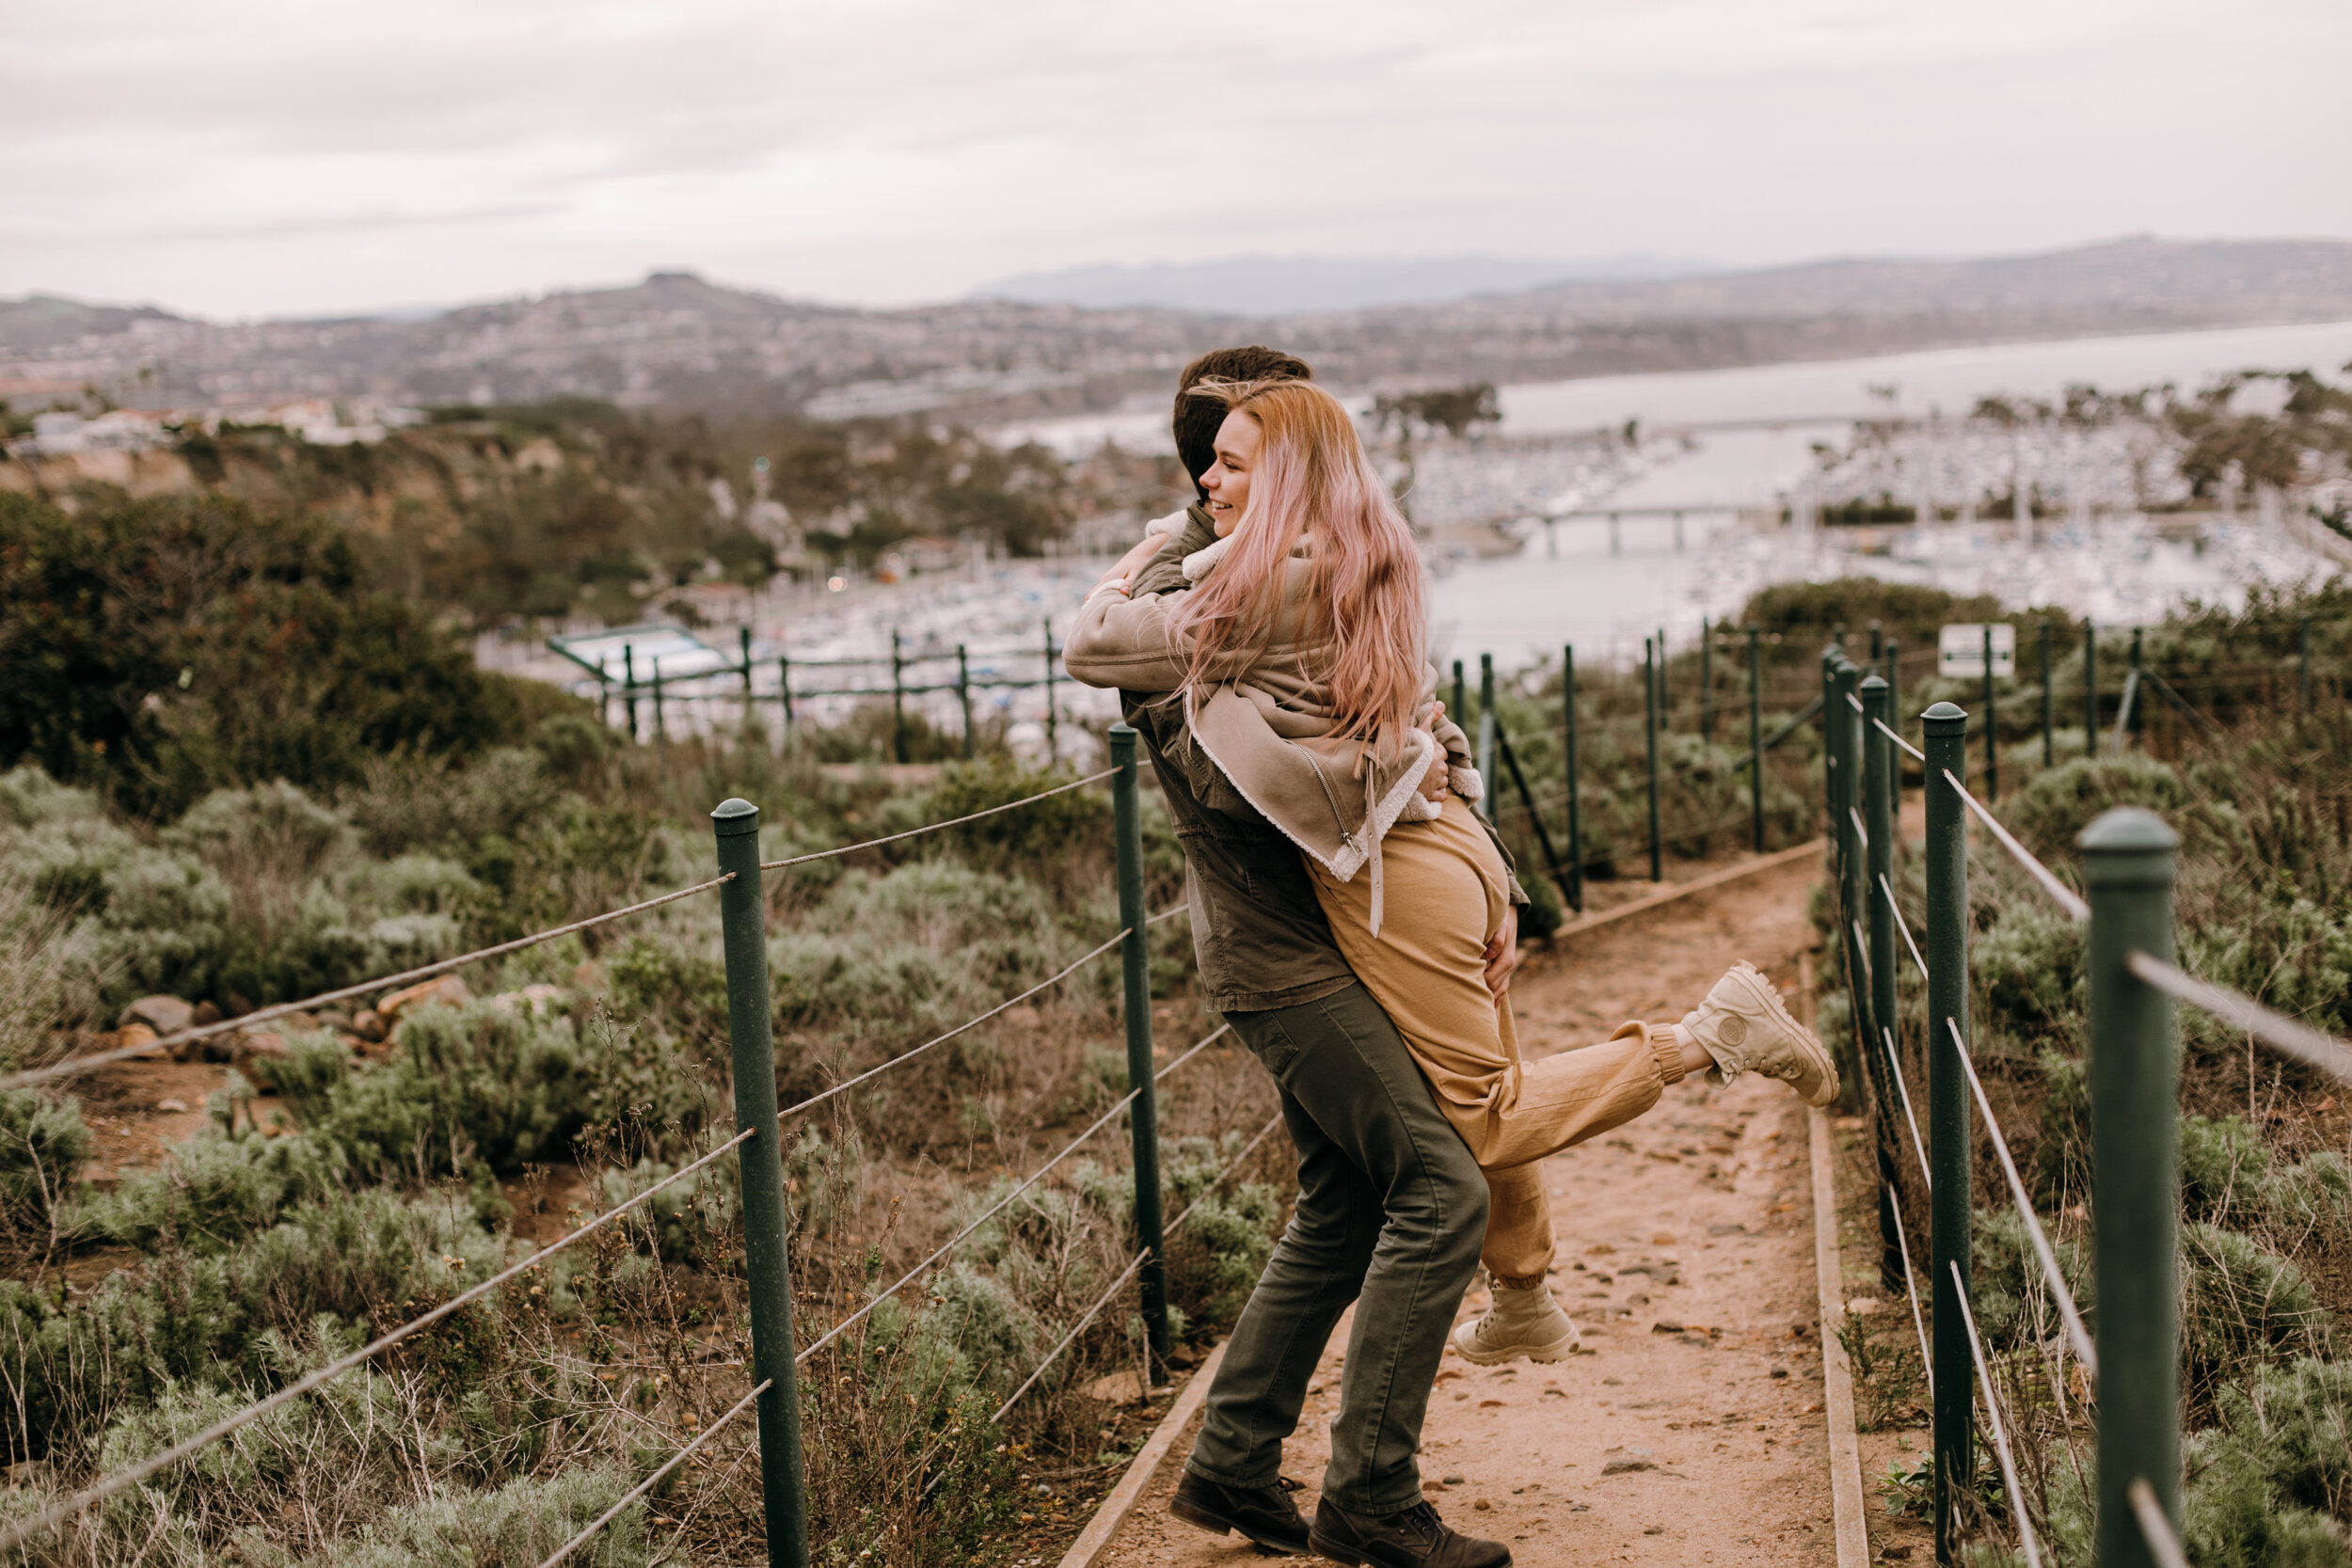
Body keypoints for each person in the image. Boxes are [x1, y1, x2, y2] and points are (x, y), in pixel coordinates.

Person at [1063, 356, 1836, 1568]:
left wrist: (1463, 837)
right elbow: (1107, 648)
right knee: (1444, 1189)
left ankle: (1230, 1462)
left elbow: (1408, 719)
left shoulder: (1264, 580)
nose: (1224, 478)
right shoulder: (1236, 591)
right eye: (1216, 455)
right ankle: (1371, 1494)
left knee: (1348, 1199)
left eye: (1245, 457)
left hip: (1345, 931)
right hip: (1286, 958)